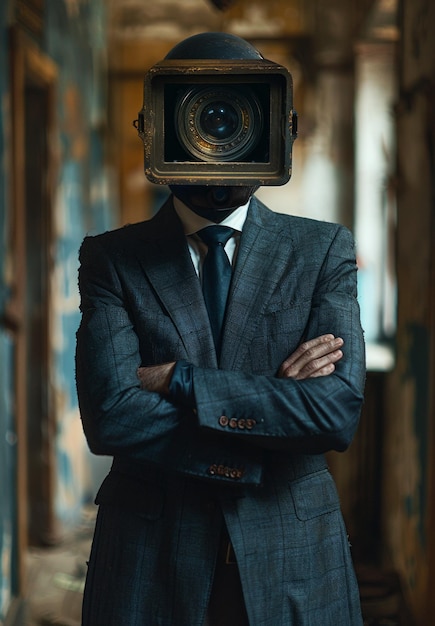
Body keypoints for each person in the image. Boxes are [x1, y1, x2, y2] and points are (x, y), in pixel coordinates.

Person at [75, 33, 365, 626]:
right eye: (205, 115)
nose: (221, 138)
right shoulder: (111, 258)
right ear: (153, 128)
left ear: (279, 128)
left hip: (295, 561)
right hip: (148, 564)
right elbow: (111, 417)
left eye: (239, 115)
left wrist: (178, 380)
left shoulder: (322, 250)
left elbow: (333, 414)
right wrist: (274, 402)